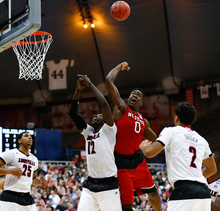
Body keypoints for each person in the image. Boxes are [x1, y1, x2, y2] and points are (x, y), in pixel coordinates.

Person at [139, 102, 217, 211]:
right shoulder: (201, 139)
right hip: (203, 192)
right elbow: (212, 169)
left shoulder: (170, 132)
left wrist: (143, 147)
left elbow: (149, 153)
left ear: (176, 118)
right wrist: (194, 177)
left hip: (183, 191)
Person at [105, 62, 162, 211]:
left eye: (138, 95)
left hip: (137, 160)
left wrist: (147, 147)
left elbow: (157, 139)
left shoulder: (144, 121)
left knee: (154, 194)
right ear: (129, 98)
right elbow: (108, 80)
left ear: (142, 102)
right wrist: (120, 66)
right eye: (132, 94)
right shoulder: (121, 108)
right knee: (126, 204)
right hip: (121, 162)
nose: (134, 96)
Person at [68, 75, 121, 211]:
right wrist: (78, 90)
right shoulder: (88, 131)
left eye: (99, 115)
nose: (96, 116)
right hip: (90, 185)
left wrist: (90, 84)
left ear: (105, 119)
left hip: (108, 184)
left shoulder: (109, 129)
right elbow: (73, 113)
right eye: (94, 115)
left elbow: (104, 104)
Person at [0, 131, 47, 211]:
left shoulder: (34, 159)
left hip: (27, 197)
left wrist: (40, 183)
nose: (29, 138)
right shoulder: (12, 153)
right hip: (10, 196)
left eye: (30, 137)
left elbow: (32, 179)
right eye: (26, 136)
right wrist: (10, 171)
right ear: (19, 141)